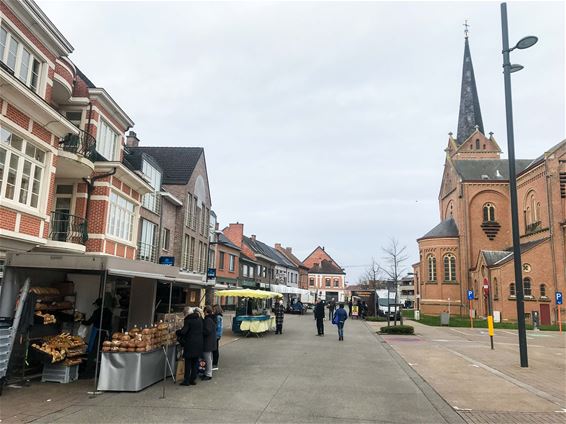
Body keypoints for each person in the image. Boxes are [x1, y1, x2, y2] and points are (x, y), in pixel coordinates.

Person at [177, 307, 203, 386]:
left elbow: (184, 331)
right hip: (199, 343)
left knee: (188, 362)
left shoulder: (188, 320)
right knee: (195, 362)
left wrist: (177, 332)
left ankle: (186, 380)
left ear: (186, 313)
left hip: (190, 344)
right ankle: (193, 379)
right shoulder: (199, 319)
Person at [201, 306, 216, 381]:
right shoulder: (211, 319)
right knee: (209, 358)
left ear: (206, 312)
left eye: (204, 311)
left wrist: (201, 332)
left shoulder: (208, 320)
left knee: (207, 358)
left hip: (208, 342)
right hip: (211, 341)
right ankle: (207, 373)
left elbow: (207, 331)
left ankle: (208, 374)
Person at [212, 304, 223, 370]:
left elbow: (217, 326)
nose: (213, 310)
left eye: (214, 309)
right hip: (218, 334)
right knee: (216, 349)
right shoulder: (220, 316)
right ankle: (215, 363)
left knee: (215, 349)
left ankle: (215, 364)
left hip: (216, 334)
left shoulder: (217, 317)